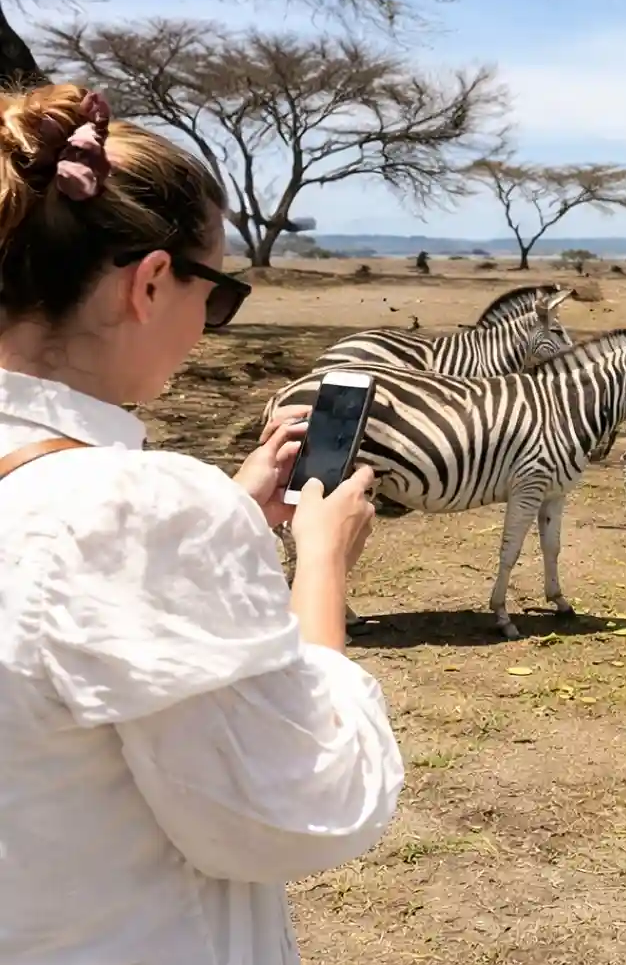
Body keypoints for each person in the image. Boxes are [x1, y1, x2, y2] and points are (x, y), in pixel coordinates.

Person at [0, 85, 404, 964]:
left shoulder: (116, 510)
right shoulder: (136, 511)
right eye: (216, 296)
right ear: (150, 283)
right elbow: (305, 808)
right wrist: (320, 563)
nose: (208, 327)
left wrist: (221, 514)